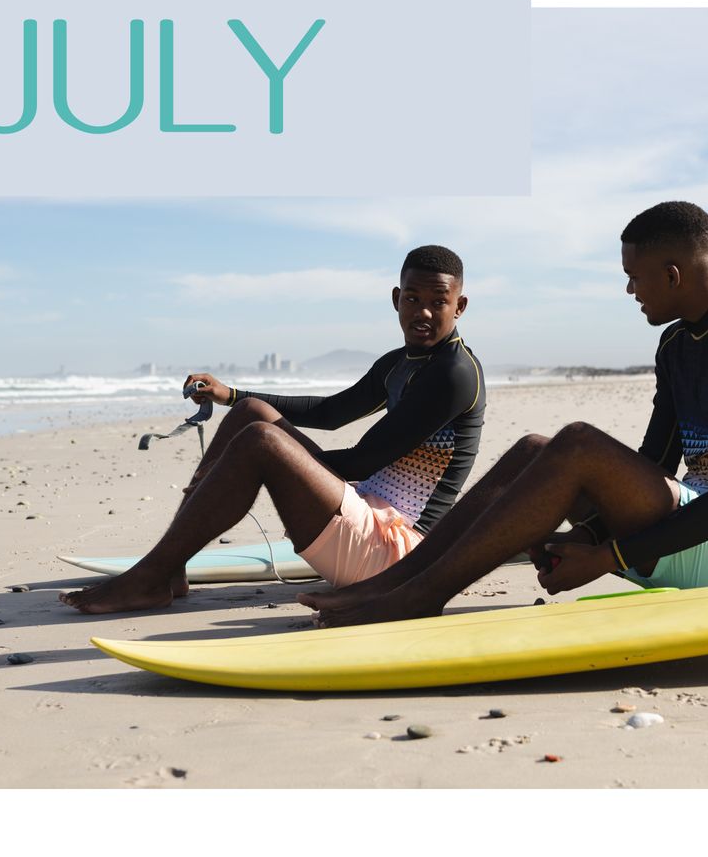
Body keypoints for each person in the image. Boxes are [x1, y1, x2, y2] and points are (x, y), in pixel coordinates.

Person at [299, 201, 708, 627]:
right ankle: (397, 584)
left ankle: (418, 596)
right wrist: (585, 536)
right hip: (687, 534)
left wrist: (608, 558)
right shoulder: (677, 343)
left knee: (578, 443)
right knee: (533, 451)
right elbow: (653, 466)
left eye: (634, 277)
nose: (630, 290)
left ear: (673, 275)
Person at [60, 244, 485, 614]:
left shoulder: (454, 374)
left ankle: (149, 577)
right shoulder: (400, 362)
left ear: (459, 306)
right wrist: (232, 395)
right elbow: (331, 412)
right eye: (412, 298)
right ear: (396, 299)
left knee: (260, 441)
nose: (423, 312)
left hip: (397, 555)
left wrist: (268, 462)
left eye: (438, 301)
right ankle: (169, 570)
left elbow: (365, 459)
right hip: (367, 519)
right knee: (252, 414)